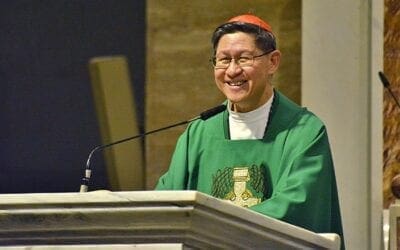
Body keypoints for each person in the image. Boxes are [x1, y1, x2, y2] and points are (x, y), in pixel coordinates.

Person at [156, 14, 344, 248]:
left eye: (244, 59)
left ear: (273, 62)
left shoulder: (304, 131)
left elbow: (297, 208)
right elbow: (166, 205)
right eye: (223, 60)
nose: (232, 71)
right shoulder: (198, 133)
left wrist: (214, 228)